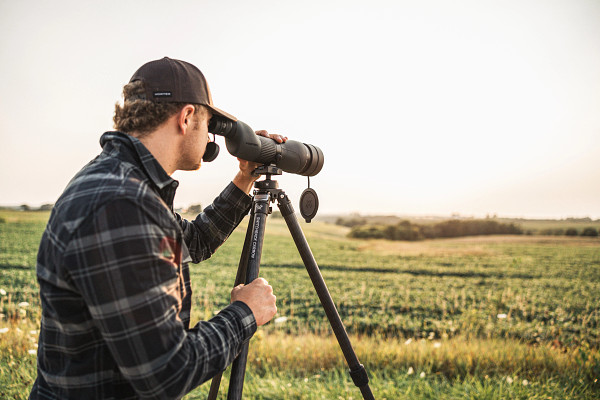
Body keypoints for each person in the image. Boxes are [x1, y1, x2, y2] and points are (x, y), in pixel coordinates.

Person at [30, 57, 282, 399]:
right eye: (209, 124)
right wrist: (245, 314)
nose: (210, 136)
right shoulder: (123, 205)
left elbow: (195, 241)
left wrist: (245, 176)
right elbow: (167, 373)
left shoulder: (127, 185)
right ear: (187, 117)